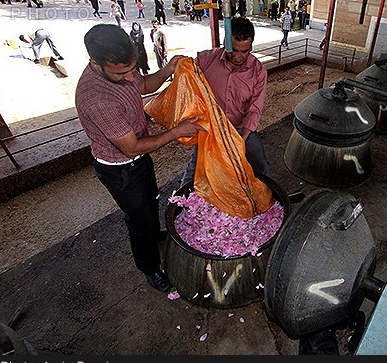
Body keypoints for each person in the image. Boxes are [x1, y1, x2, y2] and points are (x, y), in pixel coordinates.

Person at [75, 24, 203, 292]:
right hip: (120, 169)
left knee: (151, 202)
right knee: (138, 219)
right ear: (95, 64)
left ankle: (154, 234)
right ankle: (150, 268)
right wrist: (176, 132)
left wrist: (168, 69)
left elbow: (143, 84)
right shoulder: (97, 98)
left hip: (139, 160)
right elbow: (131, 148)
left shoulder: (125, 71)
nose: (129, 77)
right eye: (121, 73)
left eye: (132, 69)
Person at [180, 17, 271, 187]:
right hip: (210, 129)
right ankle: (180, 201)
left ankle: (267, 198)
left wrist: (239, 140)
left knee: (260, 163)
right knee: (196, 168)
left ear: (251, 47)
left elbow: (254, 110)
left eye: (245, 51)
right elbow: (185, 81)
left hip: (239, 129)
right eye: (234, 50)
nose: (238, 57)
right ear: (225, 42)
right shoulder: (205, 60)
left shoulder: (258, 71)